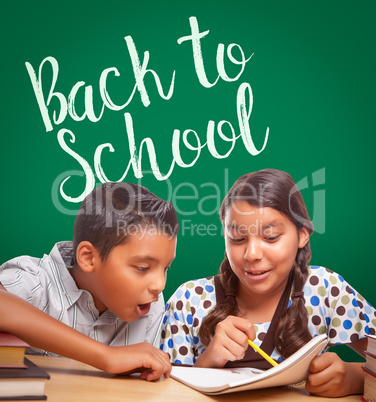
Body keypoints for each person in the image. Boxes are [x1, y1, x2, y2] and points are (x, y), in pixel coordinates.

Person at [160, 168, 376, 397]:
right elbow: (163, 394)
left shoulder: (325, 289)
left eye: (271, 237)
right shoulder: (189, 301)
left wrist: (355, 378)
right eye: (237, 239)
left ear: (302, 234)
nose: (252, 254)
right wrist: (209, 360)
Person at [0, 182, 178, 381]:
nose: (159, 285)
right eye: (143, 268)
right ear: (88, 258)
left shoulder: (150, 305)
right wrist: (106, 356)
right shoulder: (38, 282)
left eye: (165, 268)